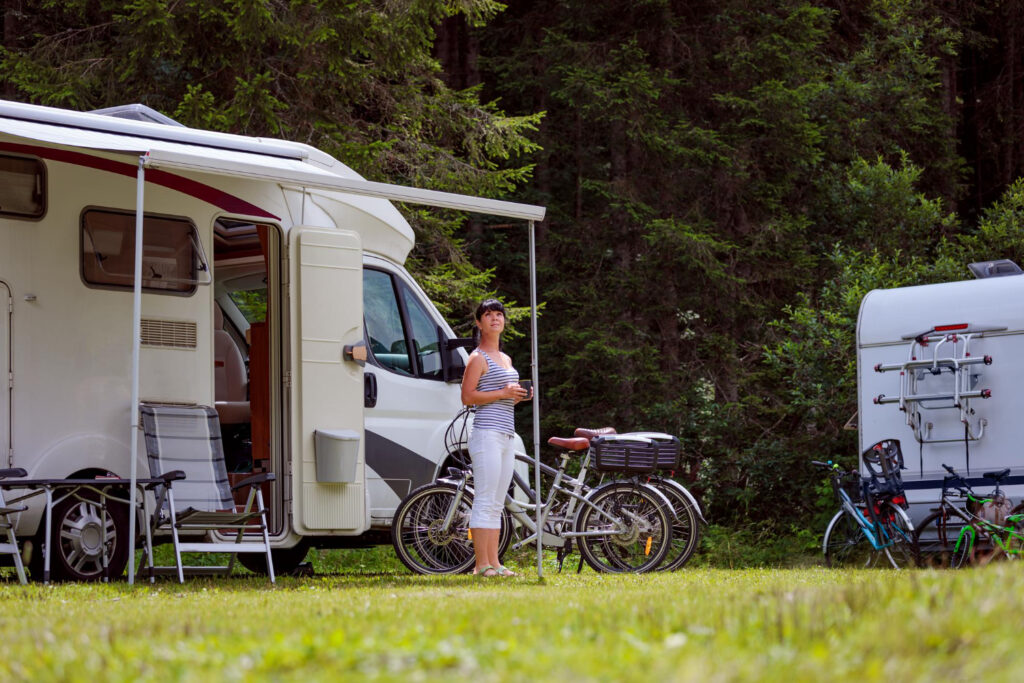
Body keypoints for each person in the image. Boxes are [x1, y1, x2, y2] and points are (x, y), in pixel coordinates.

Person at [461, 298, 530, 577]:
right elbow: (467, 397)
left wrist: (517, 397)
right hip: (486, 434)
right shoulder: (477, 357)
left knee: (498, 500)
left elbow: (501, 399)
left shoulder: (506, 359)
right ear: (479, 323)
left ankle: (495, 563)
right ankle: (481, 565)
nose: (494, 318)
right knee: (485, 497)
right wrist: (503, 393)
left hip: (506, 434)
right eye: (488, 315)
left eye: (499, 314)